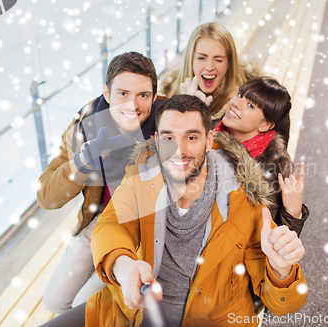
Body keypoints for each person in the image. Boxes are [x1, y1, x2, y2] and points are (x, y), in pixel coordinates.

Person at [40, 94, 307, 327]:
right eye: (169, 137)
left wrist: (281, 271)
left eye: (191, 137)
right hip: (131, 314)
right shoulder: (141, 175)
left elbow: (283, 304)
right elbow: (110, 224)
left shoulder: (244, 199)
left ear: (209, 140)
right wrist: (123, 265)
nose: (179, 151)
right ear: (157, 141)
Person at [37, 51, 162, 314]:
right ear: (106, 92)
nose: (133, 105)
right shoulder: (84, 126)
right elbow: (46, 197)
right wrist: (82, 164)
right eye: (123, 93)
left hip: (136, 232)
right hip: (96, 221)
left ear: (154, 96)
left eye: (143, 95)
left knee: (84, 307)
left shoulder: (167, 127)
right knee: (54, 302)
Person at [159, 22, 290, 142]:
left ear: (229, 63)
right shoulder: (164, 96)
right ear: (190, 60)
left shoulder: (259, 99)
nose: (209, 67)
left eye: (219, 60)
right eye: (201, 58)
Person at [212, 77, 309, 236]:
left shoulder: (274, 173)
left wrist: (294, 213)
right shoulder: (209, 128)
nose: (236, 103)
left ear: (265, 125)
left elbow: (276, 244)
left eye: (250, 105)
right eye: (240, 95)